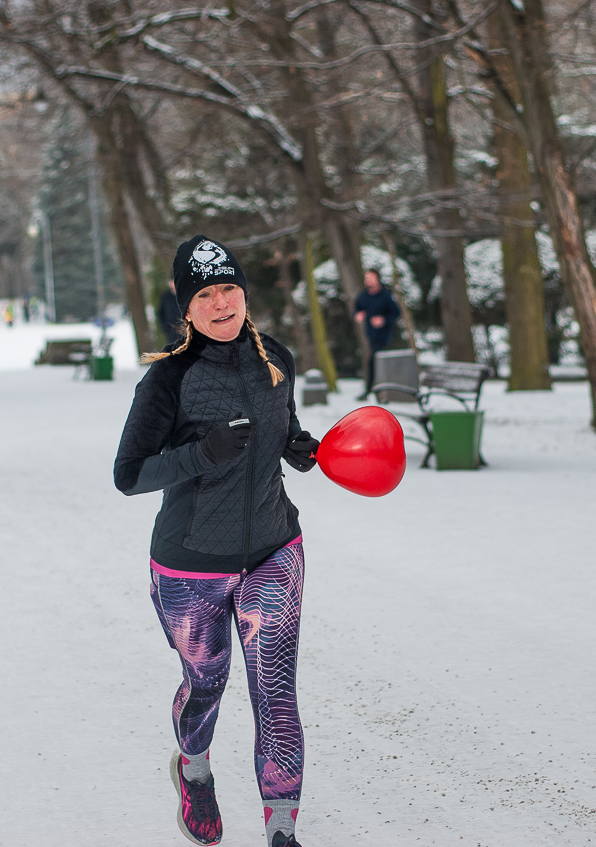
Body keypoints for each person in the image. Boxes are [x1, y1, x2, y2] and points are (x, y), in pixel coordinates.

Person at [115, 235, 321, 847]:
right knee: (207, 681)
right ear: (187, 307)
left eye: (229, 288)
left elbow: (280, 428)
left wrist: (299, 445)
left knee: (276, 687)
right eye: (206, 293)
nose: (222, 302)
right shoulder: (167, 380)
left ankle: (282, 828)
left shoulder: (275, 357)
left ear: (245, 293)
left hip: (273, 549)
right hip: (189, 567)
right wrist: (202, 454)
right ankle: (194, 767)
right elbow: (129, 475)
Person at [353, 268, 401, 400]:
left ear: (377, 278)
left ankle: (375, 391)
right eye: (366, 277)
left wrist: (383, 319)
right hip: (371, 336)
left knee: (374, 362)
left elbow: (396, 313)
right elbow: (357, 307)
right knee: (373, 362)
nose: (368, 280)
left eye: (371, 277)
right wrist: (359, 314)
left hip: (385, 337)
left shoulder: (385, 295)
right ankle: (374, 390)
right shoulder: (364, 295)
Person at [157, 279, 184, 345]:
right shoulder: (166, 297)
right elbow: (160, 313)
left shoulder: (184, 295)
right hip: (172, 333)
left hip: (185, 330)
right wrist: (166, 327)